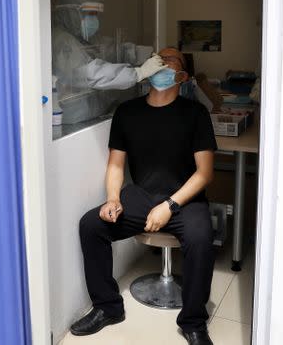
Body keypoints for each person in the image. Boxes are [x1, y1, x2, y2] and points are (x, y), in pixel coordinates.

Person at [70, 47, 218, 345]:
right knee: (91, 225)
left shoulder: (195, 114)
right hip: (141, 195)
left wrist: (170, 204)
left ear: (183, 75)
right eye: (158, 59)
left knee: (202, 237)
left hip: (184, 198)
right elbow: (115, 164)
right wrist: (113, 199)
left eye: (171, 60)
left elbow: (204, 173)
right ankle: (107, 307)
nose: (162, 63)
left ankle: (193, 322)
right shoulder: (127, 112)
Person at [52, 0, 166, 125]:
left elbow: (115, 50)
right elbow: (89, 73)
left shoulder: (85, 37)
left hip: (93, 116)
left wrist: (149, 54)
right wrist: (138, 73)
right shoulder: (61, 41)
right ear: (71, 14)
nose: (93, 19)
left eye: (95, 14)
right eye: (89, 13)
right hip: (74, 119)